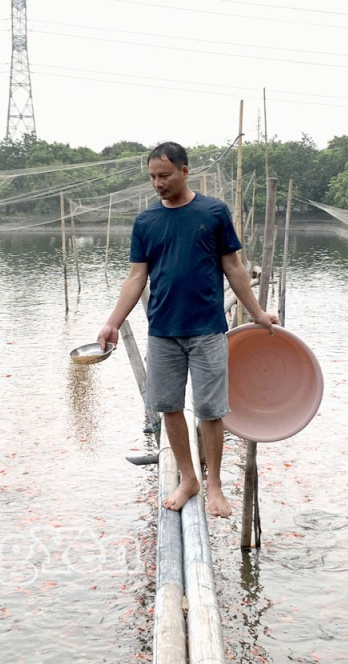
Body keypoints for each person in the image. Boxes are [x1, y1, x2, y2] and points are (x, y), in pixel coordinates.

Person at [97, 142, 278, 517]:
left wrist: (257, 312)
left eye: (164, 175)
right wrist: (113, 322)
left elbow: (234, 267)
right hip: (163, 328)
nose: (157, 183)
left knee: (211, 411)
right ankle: (187, 478)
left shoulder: (212, 212)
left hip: (207, 329)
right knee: (169, 406)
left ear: (184, 171)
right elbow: (136, 277)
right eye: (152, 177)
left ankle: (214, 485)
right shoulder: (146, 222)